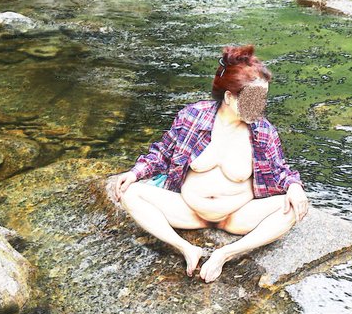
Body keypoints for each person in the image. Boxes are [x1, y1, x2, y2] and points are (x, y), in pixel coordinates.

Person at [109, 45, 309, 283]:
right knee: (130, 193)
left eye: (262, 99)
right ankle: (186, 248)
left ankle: (224, 254)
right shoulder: (193, 116)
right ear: (228, 97)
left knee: (292, 209)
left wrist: (295, 187)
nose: (260, 106)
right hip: (188, 211)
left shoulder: (263, 131)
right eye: (253, 99)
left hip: (236, 217)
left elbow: (280, 171)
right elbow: (163, 152)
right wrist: (134, 173)